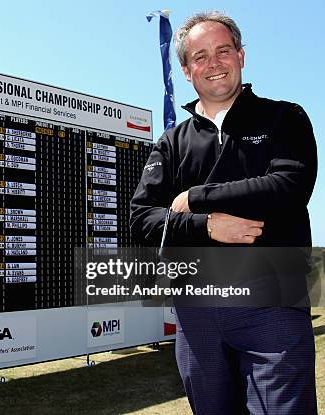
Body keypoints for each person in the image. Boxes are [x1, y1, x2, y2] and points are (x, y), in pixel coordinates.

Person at [129, 11, 318, 415]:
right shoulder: (172, 142)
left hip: (273, 303)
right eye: (199, 56)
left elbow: (288, 187)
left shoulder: (285, 117)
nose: (213, 63)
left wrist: (198, 197)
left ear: (241, 56)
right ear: (185, 70)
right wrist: (208, 226)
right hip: (196, 309)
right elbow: (142, 219)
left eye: (223, 50)